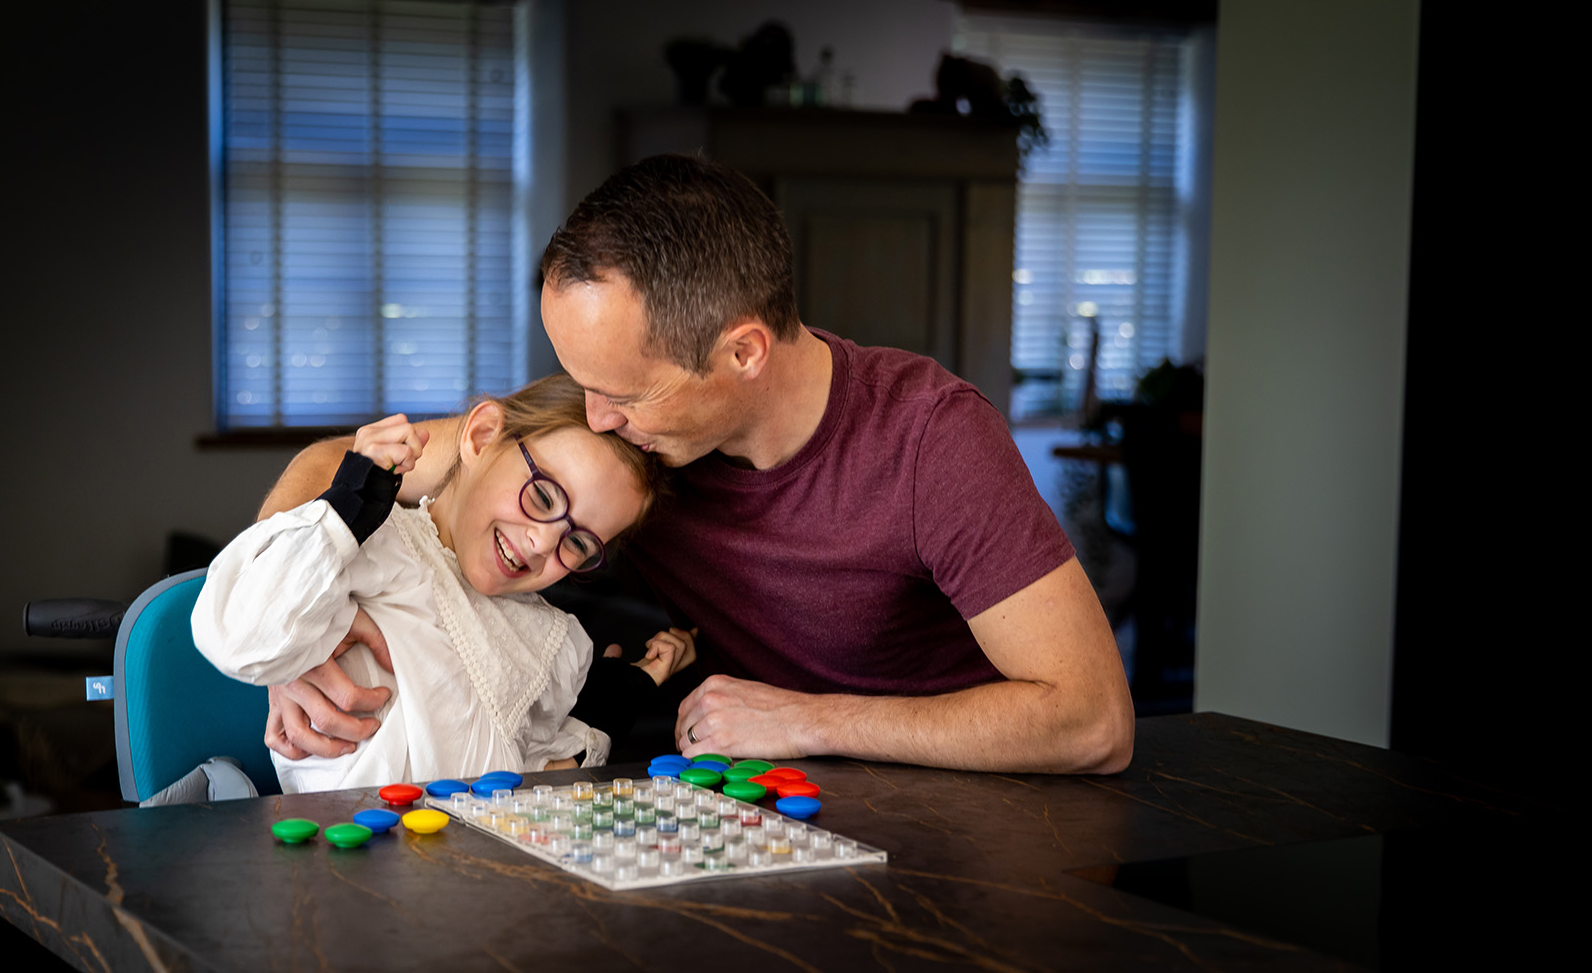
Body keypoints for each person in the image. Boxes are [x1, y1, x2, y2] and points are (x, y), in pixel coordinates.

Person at [258, 154, 1133, 775]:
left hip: (970, 809)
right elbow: (337, 461)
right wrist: (293, 631)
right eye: (581, 380)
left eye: (624, 393)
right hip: (754, 793)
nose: (598, 420)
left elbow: (1092, 720)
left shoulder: (932, 441)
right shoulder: (624, 448)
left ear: (743, 353)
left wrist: (810, 719)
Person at [191, 373, 691, 792]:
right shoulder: (370, 545)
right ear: (480, 438)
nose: (541, 544)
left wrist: (605, 712)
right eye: (542, 498)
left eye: (578, 544)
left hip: (471, 882)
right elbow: (237, 634)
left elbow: (530, 786)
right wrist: (345, 507)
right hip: (351, 861)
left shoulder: (549, 639)